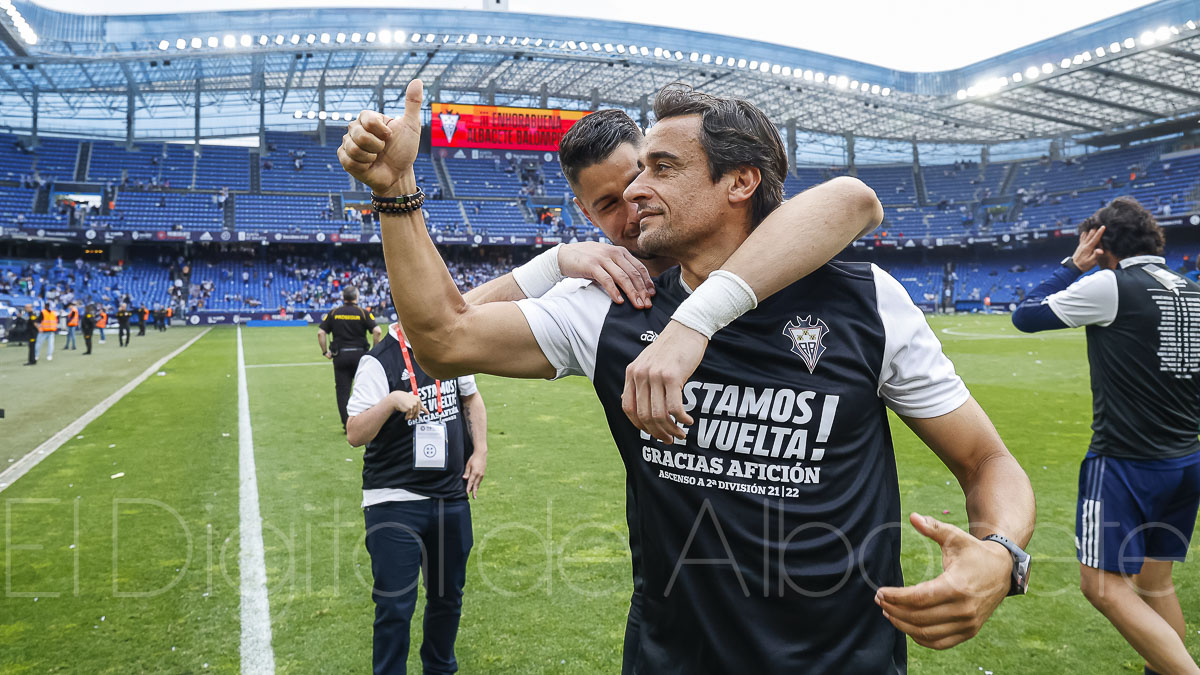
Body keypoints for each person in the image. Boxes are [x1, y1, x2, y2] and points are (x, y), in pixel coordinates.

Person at [340, 80, 1035, 672]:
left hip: (845, 657)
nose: (634, 190)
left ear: (741, 180)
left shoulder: (864, 299)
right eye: (631, 174)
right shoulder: (612, 307)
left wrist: (1001, 553)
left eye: (660, 168)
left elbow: (986, 460)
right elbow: (441, 336)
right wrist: (398, 190)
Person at [1013, 197, 1200, 675]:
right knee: (1155, 586)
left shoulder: (1110, 285)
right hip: (1185, 462)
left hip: (1125, 463)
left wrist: (1072, 265)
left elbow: (1026, 314)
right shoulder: (1192, 290)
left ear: (1099, 243)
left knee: (1101, 585)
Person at [345, 320, 488, 675]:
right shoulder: (378, 361)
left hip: (450, 496)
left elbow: (470, 396)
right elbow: (355, 433)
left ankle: (440, 670)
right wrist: (391, 401)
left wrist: (481, 450)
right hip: (394, 500)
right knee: (395, 606)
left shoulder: (449, 347)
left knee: (448, 598)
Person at [318, 286, 384, 430]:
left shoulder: (334, 312)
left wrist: (325, 352)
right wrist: (375, 350)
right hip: (360, 356)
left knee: (342, 391)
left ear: (343, 297)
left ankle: (347, 423)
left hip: (340, 356)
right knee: (365, 388)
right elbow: (377, 331)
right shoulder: (362, 312)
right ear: (356, 297)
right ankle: (368, 422)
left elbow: (321, 333)